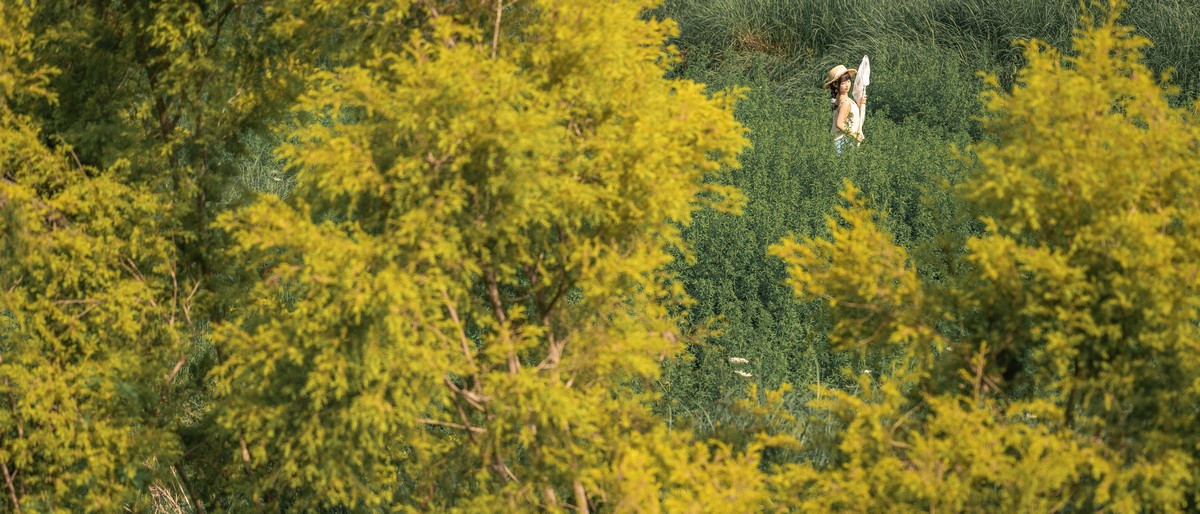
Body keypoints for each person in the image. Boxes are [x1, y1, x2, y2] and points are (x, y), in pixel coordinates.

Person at [823, 64, 866, 153]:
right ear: (835, 84)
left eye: (848, 81)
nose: (847, 85)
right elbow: (839, 123)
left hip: (841, 141)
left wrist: (858, 105)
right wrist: (855, 135)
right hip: (844, 142)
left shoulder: (839, 98)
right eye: (843, 83)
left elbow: (847, 115)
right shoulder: (845, 102)